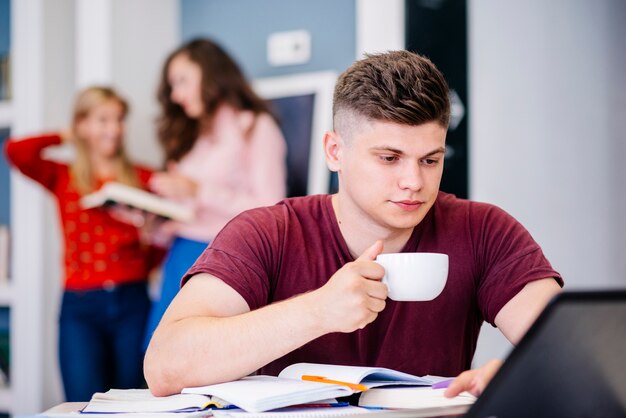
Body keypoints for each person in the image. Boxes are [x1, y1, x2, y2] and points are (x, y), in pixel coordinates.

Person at [144, 50, 563, 398]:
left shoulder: (483, 230)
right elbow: (165, 366)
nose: (413, 182)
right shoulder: (267, 232)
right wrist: (316, 312)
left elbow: (579, 352)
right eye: (389, 158)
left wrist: (518, 380)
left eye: (430, 160)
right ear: (334, 151)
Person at [4, 86, 163, 401]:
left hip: (133, 301)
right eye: (103, 120)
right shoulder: (64, 176)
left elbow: (162, 241)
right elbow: (16, 151)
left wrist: (148, 242)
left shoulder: (144, 176)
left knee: (135, 402)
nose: (114, 129)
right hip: (80, 306)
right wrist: (67, 135)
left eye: (119, 119)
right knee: (81, 402)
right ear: (82, 124)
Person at [143, 38, 287, 347]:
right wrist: (155, 222)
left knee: (209, 357)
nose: (176, 95)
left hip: (227, 257)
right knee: (161, 360)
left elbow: (270, 208)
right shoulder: (191, 137)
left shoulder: (255, 127)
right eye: (172, 86)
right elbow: (188, 215)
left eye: (182, 81)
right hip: (180, 256)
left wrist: (199, 190)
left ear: (210, 74)